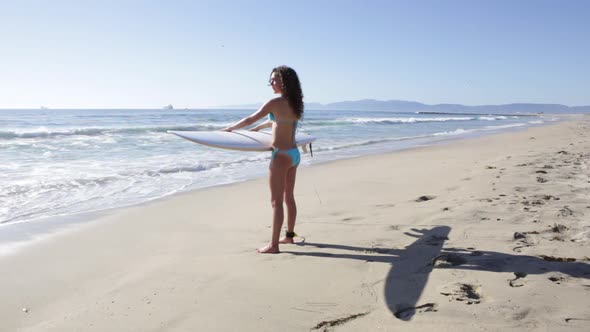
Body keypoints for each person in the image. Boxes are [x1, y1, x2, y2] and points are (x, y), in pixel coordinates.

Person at [222, 66, 304, 253]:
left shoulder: (274, 102)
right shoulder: (296, 102)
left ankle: (274, 245)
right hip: (294, 155)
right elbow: (280, 121)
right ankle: (289, 237)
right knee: (288, 197)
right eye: (271, 80)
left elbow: (250, 118)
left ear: (285, 81)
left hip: (281, 156)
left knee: (276, 202)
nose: (271, 83)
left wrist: (230, 129)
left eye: (275, 80)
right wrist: (260, 128)